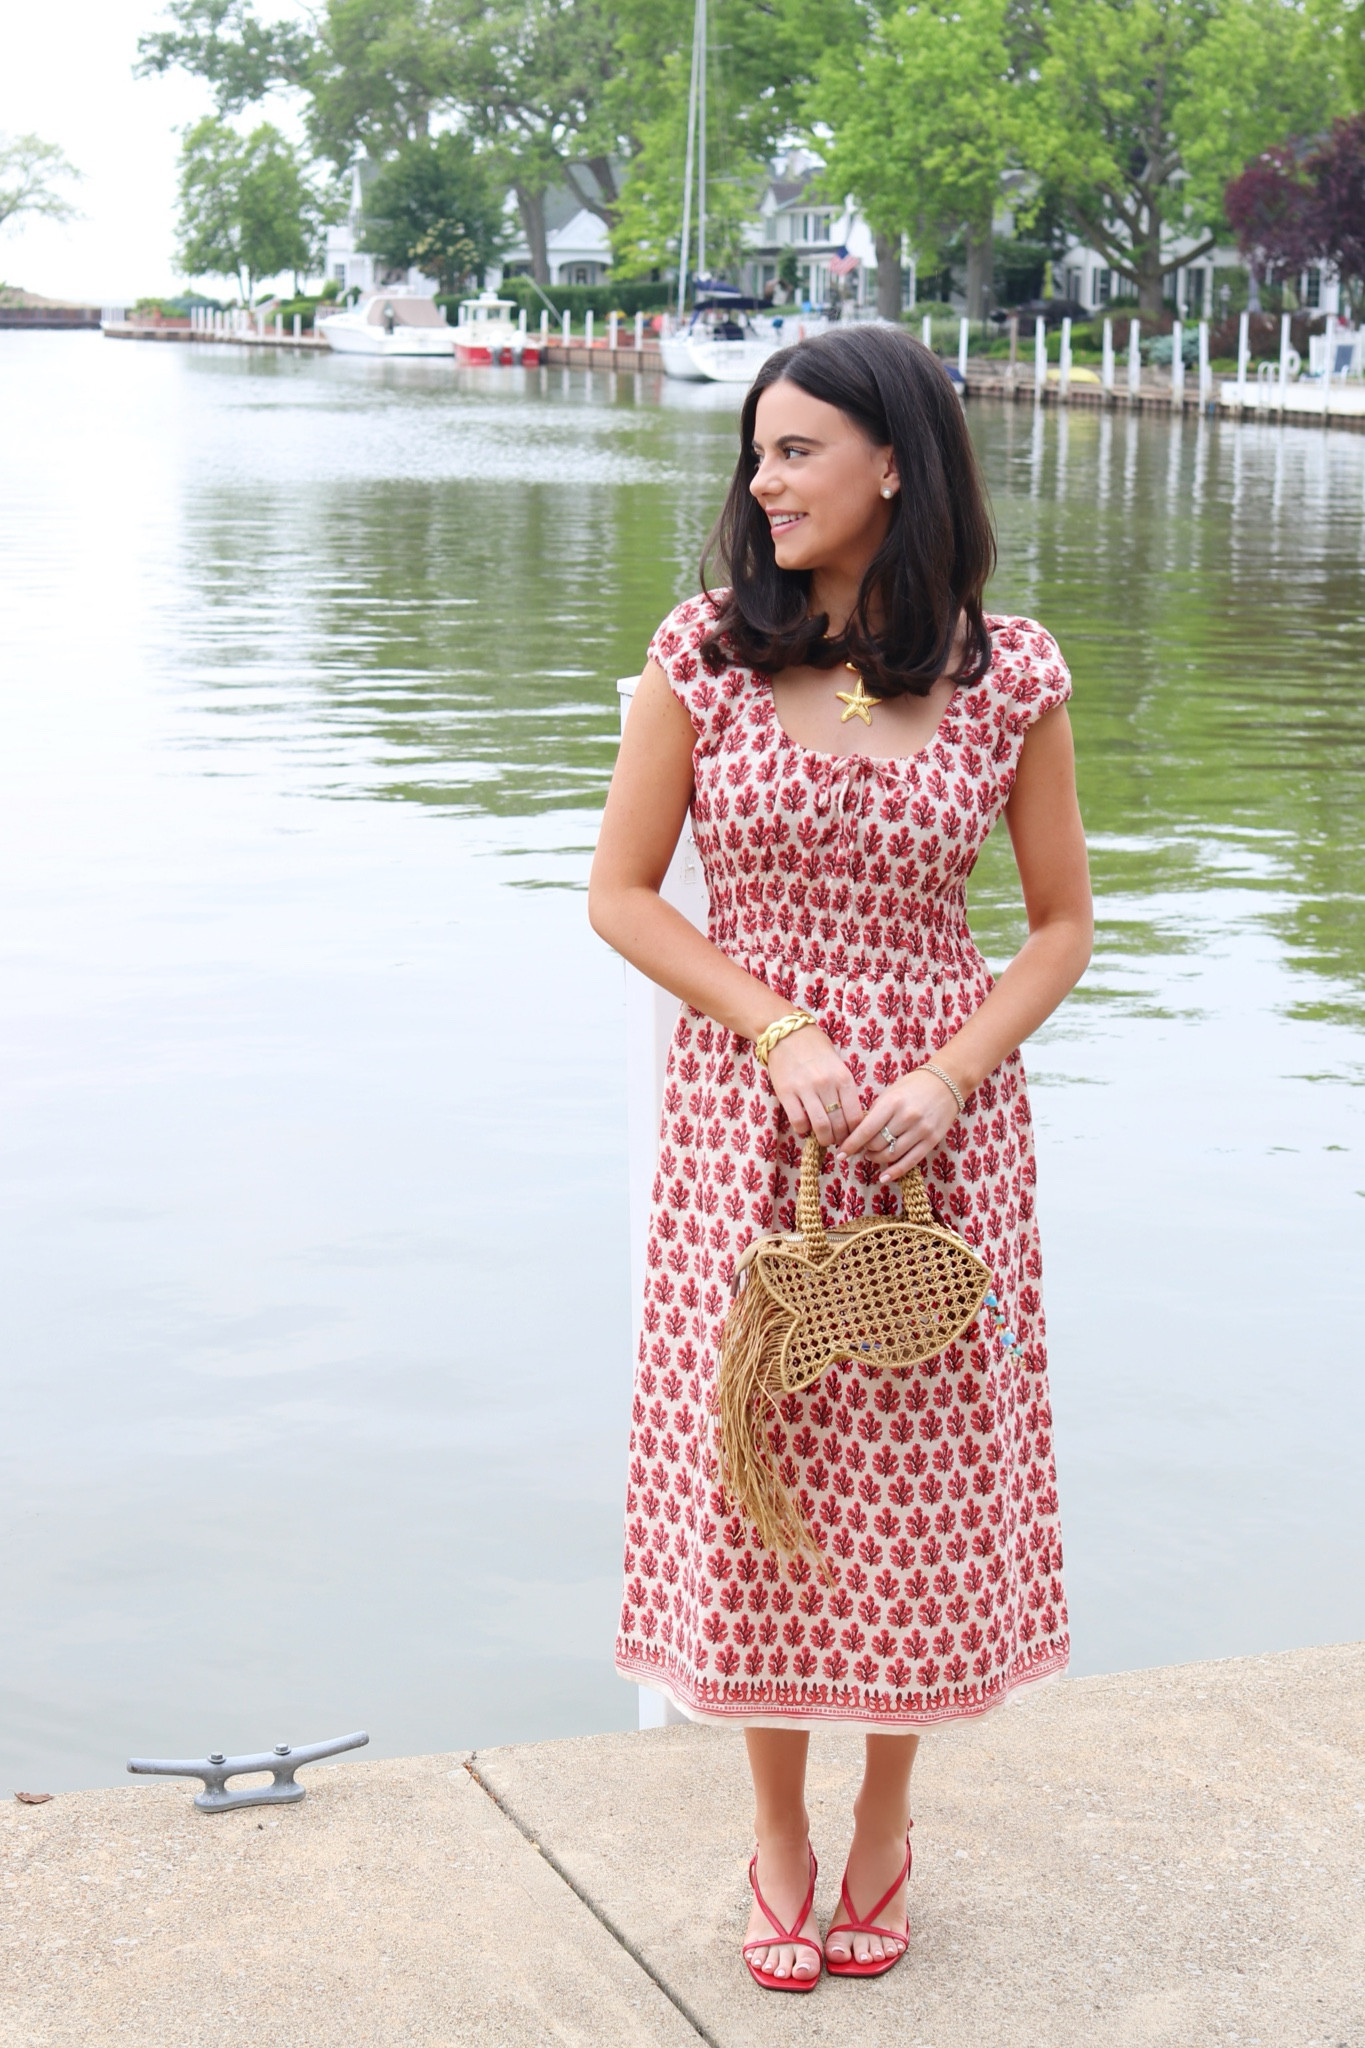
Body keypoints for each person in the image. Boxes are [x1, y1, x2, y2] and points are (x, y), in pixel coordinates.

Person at [589, 325, 1091, 1992]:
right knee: (767, 1482)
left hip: (946, 1146)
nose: (763, 479)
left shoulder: (1008, 671)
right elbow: (624, 895)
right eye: (757, 449)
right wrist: (778, 1025)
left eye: (798, 448)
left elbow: (1059, 925)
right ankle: (780, 1837)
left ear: (895, 462)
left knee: (920, 1489)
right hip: (750, 1136)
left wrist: (951, 1071)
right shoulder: (703, 654)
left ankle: (883, 1821)